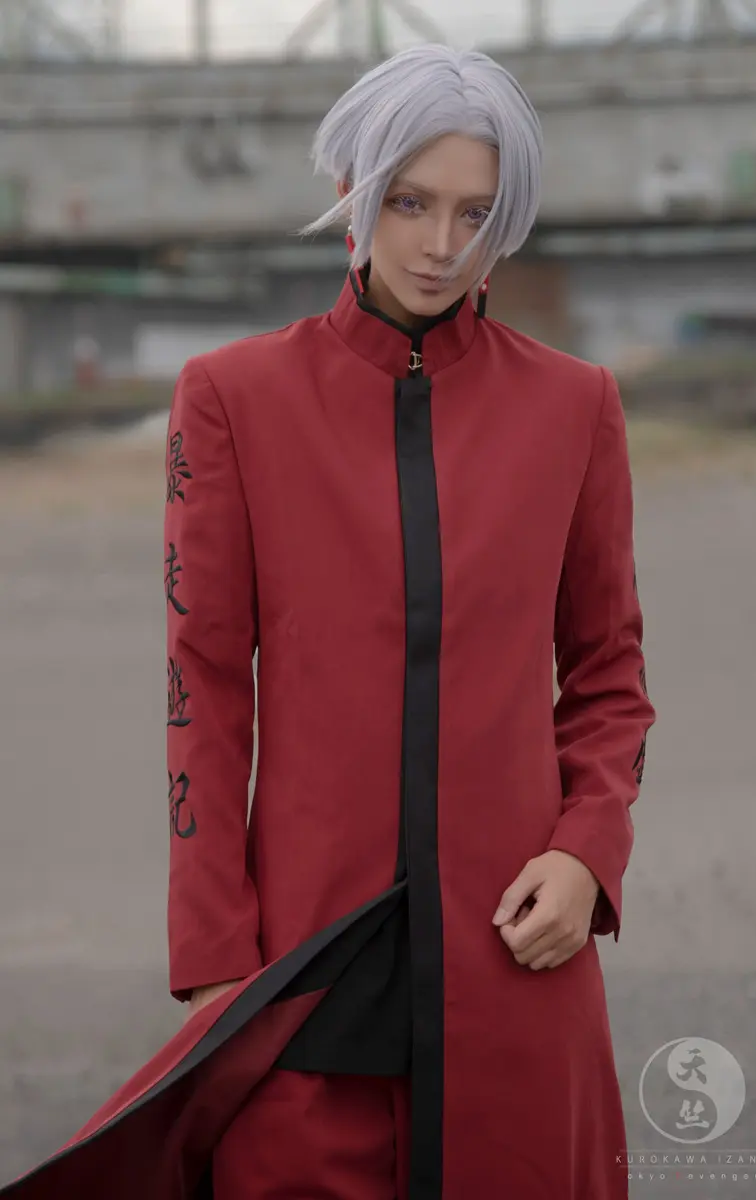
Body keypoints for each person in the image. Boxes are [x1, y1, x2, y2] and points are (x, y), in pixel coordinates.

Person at [0, 43, 655, 1200]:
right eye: (410, 202)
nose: (441, 243)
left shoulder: (575, 407)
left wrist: (586, 853)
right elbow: (204, 689)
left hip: (515, 958)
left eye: (475, 212)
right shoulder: (232, 398)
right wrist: (215, 956)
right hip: (304, 971)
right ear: (354, 191)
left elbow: (608, 673)